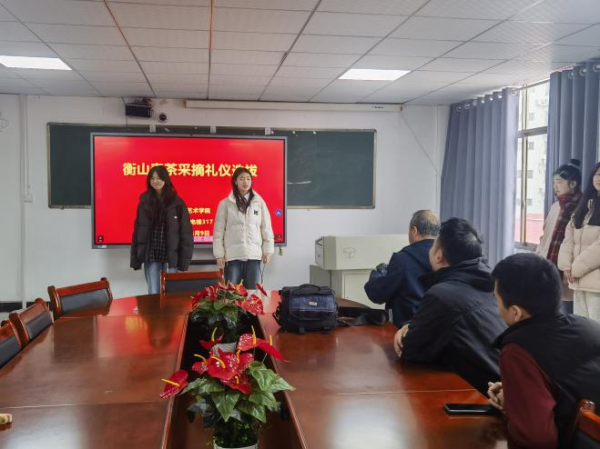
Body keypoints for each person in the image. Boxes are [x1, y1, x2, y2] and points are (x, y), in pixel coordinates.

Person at [488, 253, 600, 449]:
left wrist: (515, 408)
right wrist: (517, 396)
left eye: (496, 300)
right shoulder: (588, 326)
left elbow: (535, 440)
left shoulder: (518, 349)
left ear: (516, 312)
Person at [393, 218, 506, 394]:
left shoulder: (442, 295)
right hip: (510, 389)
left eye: (433, 245)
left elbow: (411, 350)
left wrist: (404, 331)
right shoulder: (492, 283)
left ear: (439, 256)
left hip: (486, 397)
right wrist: (409, 325)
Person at [364, 210, 439, 327]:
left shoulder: (403, 259)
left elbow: (377, 294)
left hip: (405, 330)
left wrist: (377, 273)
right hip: (437, 329)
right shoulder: (445, 258)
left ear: (414, 230)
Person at [130, 165, 193, 294]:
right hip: (151, 255)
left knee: (171, 296)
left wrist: (184, 262)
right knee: (153, 294)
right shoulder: (144, 201)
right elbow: (138, 231)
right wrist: (135, 259)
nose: (155, 181)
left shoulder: (177, 203)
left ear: (165, 179)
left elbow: (186, 233)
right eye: (152, 178)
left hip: (171, 257)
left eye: (159, 178)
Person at [213, 167, 274, 289]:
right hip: (233, 257)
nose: (245, 182)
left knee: (253, 294)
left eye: (248, 179)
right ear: (235, 181)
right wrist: (219, 254)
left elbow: (266, 228)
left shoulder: (259, 203)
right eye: (241, 179)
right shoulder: (225, 204)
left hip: (253, 256)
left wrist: (267, 251)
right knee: (231, 294)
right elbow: (218, 232)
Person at [536, 159, 582, 313]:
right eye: (554, 182)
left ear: (573, 184)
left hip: (570, 266)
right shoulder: (555, 206)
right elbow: (545, 235)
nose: (555, 186)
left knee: (570, 309)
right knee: (550, 307)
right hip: (549, 263)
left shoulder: (583, 206)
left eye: (559, 182)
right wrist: (539, 255)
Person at [558, 162, 600, 322]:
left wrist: (575, 269)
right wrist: (566, 266)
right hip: (578, 282)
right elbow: (568, 238)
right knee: (583, 330)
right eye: (598, 174)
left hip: (596, 286)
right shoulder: (585, 206)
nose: (599, 178)